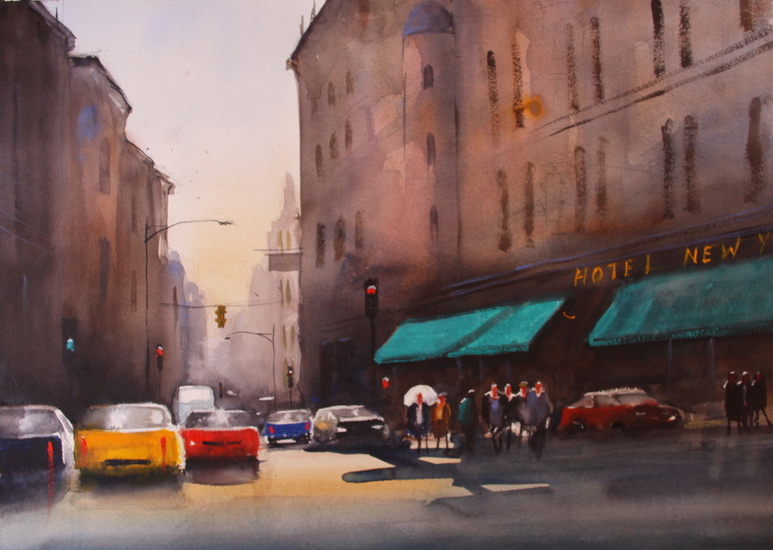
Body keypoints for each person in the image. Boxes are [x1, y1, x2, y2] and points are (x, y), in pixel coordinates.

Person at [526, 380, 551, 459]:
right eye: (537, 386)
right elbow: (529, 406)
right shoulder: (531, 395)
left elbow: (547, 405)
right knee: (536, 433)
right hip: (534, 417)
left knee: (542, 432)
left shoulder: (544, 395)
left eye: (540, 386)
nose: (539, 387)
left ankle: (540, 450)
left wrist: (548, 413)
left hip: (543, 417)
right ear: (535, 386)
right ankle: (533, 445)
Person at [481, 384, 507, 454]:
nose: (495, 390)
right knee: (493, 432)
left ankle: (500, 447)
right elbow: (484, 409)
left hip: (500, 417)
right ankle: (496, 448)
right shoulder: (488, 397)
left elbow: (505, 406)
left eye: (496, 389)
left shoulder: (501, 397)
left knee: (499, 432)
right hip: (491, 417)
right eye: (493, 389)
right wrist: (485, 417)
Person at [457, 389, 478, 454]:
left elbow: (459, 408)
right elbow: (475, 412)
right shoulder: (472, 402)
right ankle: (469, 446)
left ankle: (466, 445)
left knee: (466, 433)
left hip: (463, 420)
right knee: (470, 434)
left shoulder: (463, 401)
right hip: (470, 421)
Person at [503, 383, 517, 451]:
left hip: (512, 416)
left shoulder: (514, 397)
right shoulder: (503, 397)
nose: (507, 390)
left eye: (509, 389)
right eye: (506, 389)